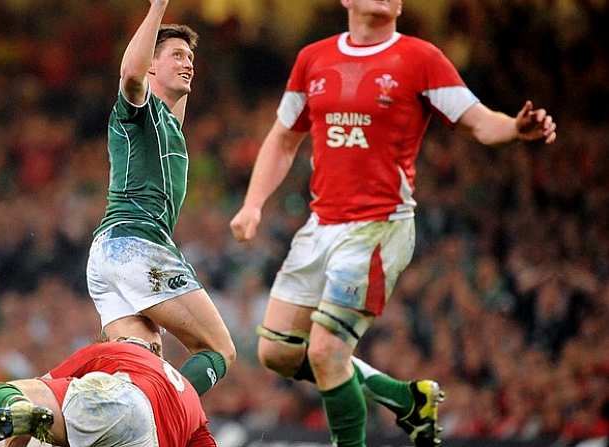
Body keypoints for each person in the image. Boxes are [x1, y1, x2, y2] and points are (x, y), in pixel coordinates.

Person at [229, 1, 557, 447]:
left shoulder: (421, 59)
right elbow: (284, 138)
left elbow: (479, 122)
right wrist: (252, 205)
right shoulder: (313, 59)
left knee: (326, 351)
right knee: (277, 352)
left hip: (379, 228)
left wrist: (515, 129)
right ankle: (406, 399)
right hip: (320, 224)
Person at [86, 0, 235, 397]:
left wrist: (186, 38)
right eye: (177, 56)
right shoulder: (137, 109)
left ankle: (45, 400)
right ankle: (167, 412)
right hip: (138, 247)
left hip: (107, 253)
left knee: (139, 366)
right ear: (152, 65)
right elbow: (131, 73)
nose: (188, 64)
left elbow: (176, 90)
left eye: (191, 58)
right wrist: (158, 9)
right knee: (219, 349)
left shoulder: (169, 123)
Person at [0, 338, 216, 446]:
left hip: (123, 400)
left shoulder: (118, 350)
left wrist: (21, 414)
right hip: (148, 440)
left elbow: (40, 390)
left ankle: (12, 401)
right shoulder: (195, 410)